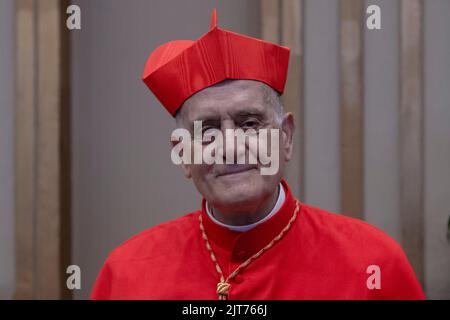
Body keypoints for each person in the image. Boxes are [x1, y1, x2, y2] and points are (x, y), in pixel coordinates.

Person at [91, 9, 425, 300]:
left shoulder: (373, 263)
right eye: (207, 130)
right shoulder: (126, 274)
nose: (231, 146)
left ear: (286, 137)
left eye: (249, 123)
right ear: (182, 154)